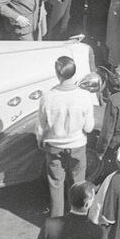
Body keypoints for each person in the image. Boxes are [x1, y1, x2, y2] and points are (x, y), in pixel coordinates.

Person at [37, 55, 96, 219]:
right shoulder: (84, 96)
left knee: (56, 185)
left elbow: (41, 127)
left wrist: (41, 142)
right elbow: (89, 127)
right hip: (77, 146)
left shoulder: (47, 96)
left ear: (58, 74)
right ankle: (78, 219)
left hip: (54, 147)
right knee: (78, 184)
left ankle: (57, 222)